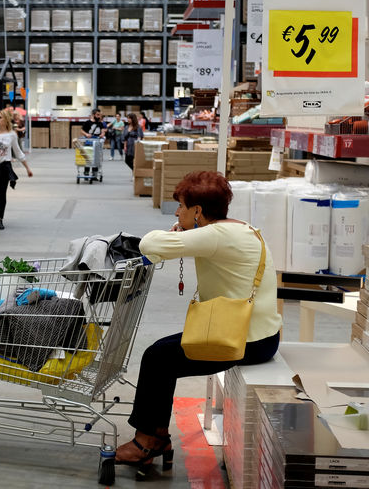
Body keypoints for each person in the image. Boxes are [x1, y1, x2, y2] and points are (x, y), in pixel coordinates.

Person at [116, 171, 281, 477]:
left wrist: (177, 232)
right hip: (255, 333)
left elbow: (150, 243)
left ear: (197, 212)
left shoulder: (216, 235)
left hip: (244, 340)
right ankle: (158, 437)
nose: (177, 212)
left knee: (158, 358)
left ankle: (145, 442)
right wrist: (182, 232)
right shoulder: (239, 229)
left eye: (181, 206)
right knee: (160, 352)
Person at [0, 109, 33, 230]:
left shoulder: (12, 135)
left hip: (5, 167)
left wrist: (27, 168)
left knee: (2, 193)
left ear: (5, 120)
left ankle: (0, 218)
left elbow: (18, 152)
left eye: (0, 117)